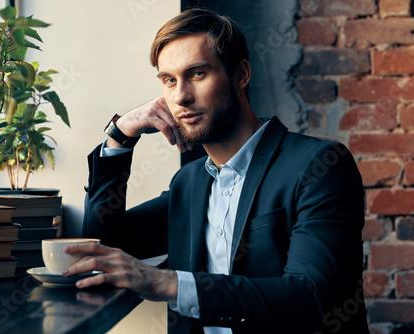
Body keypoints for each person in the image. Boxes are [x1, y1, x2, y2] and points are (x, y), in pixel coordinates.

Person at [64, 8, 369, 334]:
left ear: (240, 75)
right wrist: (120, 135)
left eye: (197, 74)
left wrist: (167, 283)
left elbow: (312, 297)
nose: (180, 96)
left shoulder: (320, 166)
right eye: (169, 80)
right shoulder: (188, 182)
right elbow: (102, 246)